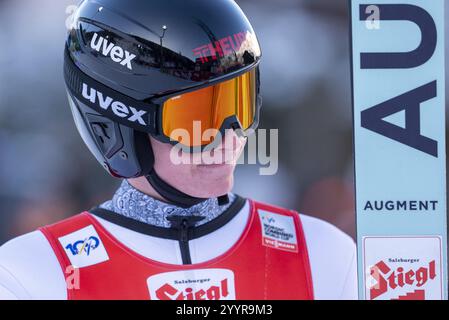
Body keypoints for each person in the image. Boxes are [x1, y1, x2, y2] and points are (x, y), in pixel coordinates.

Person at [0, 0, 357, 300]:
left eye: (240, 101)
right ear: (121, 126)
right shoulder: (34, 274)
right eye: (197, 117)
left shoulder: (322, 255)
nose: (229, 138)